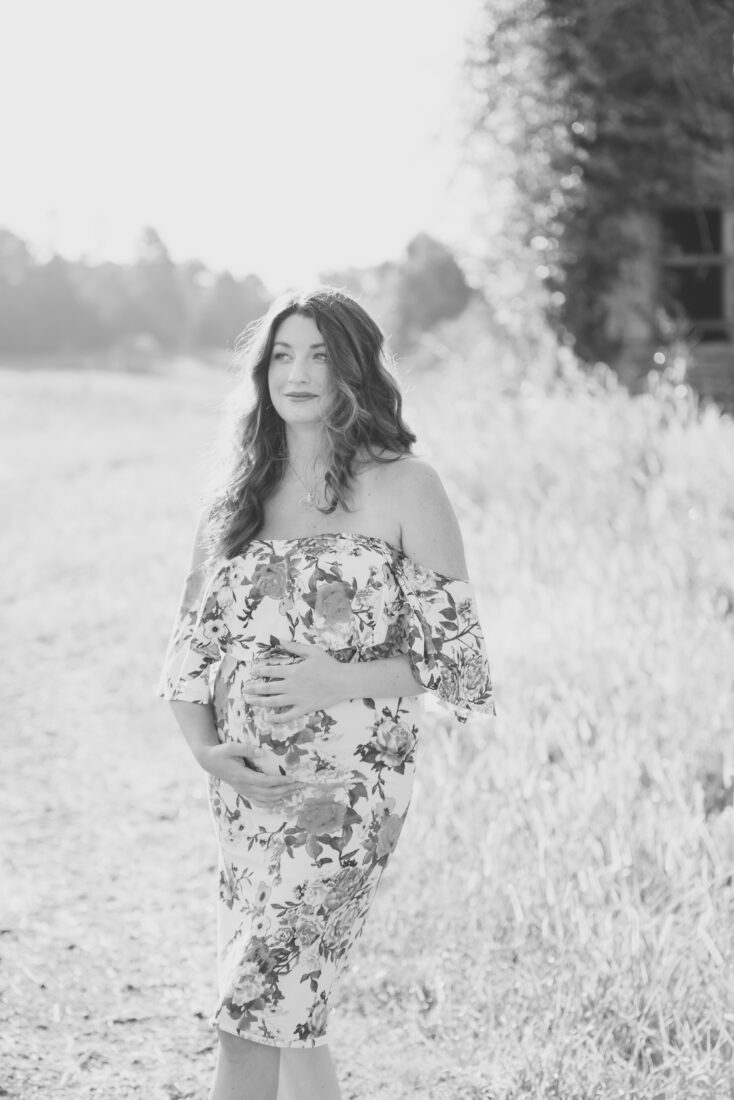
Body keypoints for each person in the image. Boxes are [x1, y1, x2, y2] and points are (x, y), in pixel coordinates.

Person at [156, 285, 495, 1100]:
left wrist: (334, 679)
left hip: (349, 793)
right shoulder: (236, 496)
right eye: (282, 355)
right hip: (248, 794)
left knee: (252, 1005)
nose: (298, 374)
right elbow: (189, 651)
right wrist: (206, 752)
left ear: (356, 371)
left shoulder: (406, 486)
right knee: (289, 1012)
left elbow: (460, 663)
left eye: (320, 355)